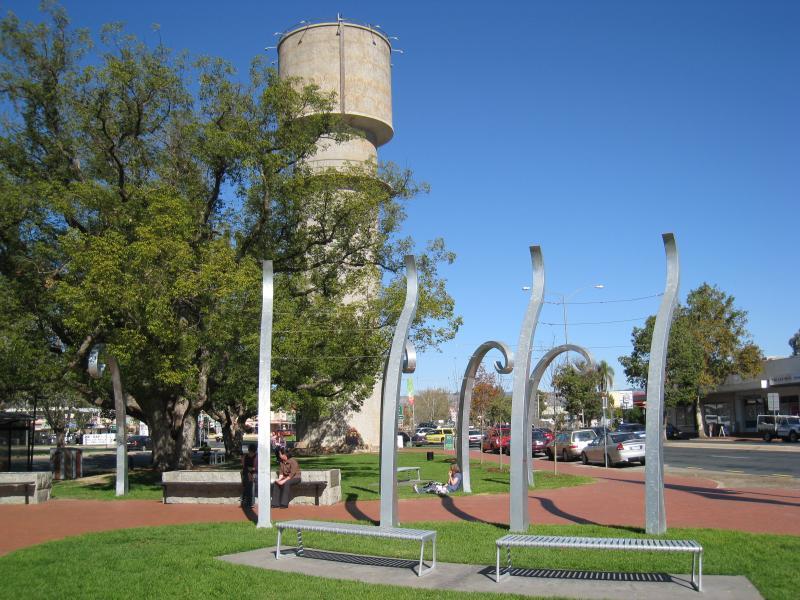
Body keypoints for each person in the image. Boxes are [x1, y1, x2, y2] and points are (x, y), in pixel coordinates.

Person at [241, 443, 257, 508]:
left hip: (256, 473)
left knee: (250, 482)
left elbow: (259, 468)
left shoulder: (257, 457)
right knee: (249, 481)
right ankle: (249, 502)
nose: (250, 454)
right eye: (249, 452)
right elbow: (244, 467)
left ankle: (246, 500)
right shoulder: (246, 457)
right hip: (247, 473)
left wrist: (253, 469)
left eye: (251, 453)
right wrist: (248, 471)